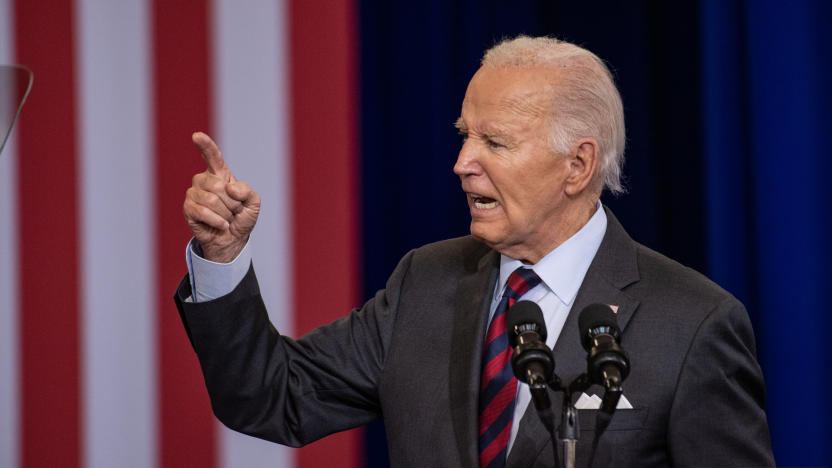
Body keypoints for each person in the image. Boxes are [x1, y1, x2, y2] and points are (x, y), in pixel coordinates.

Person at [175, 36, 775, 467]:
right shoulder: (427, 281)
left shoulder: (693, 323)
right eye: (466, 134)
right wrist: (222, 258)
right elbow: (270, 398)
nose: (463, 163)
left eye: (495, 141)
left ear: (578, 164)